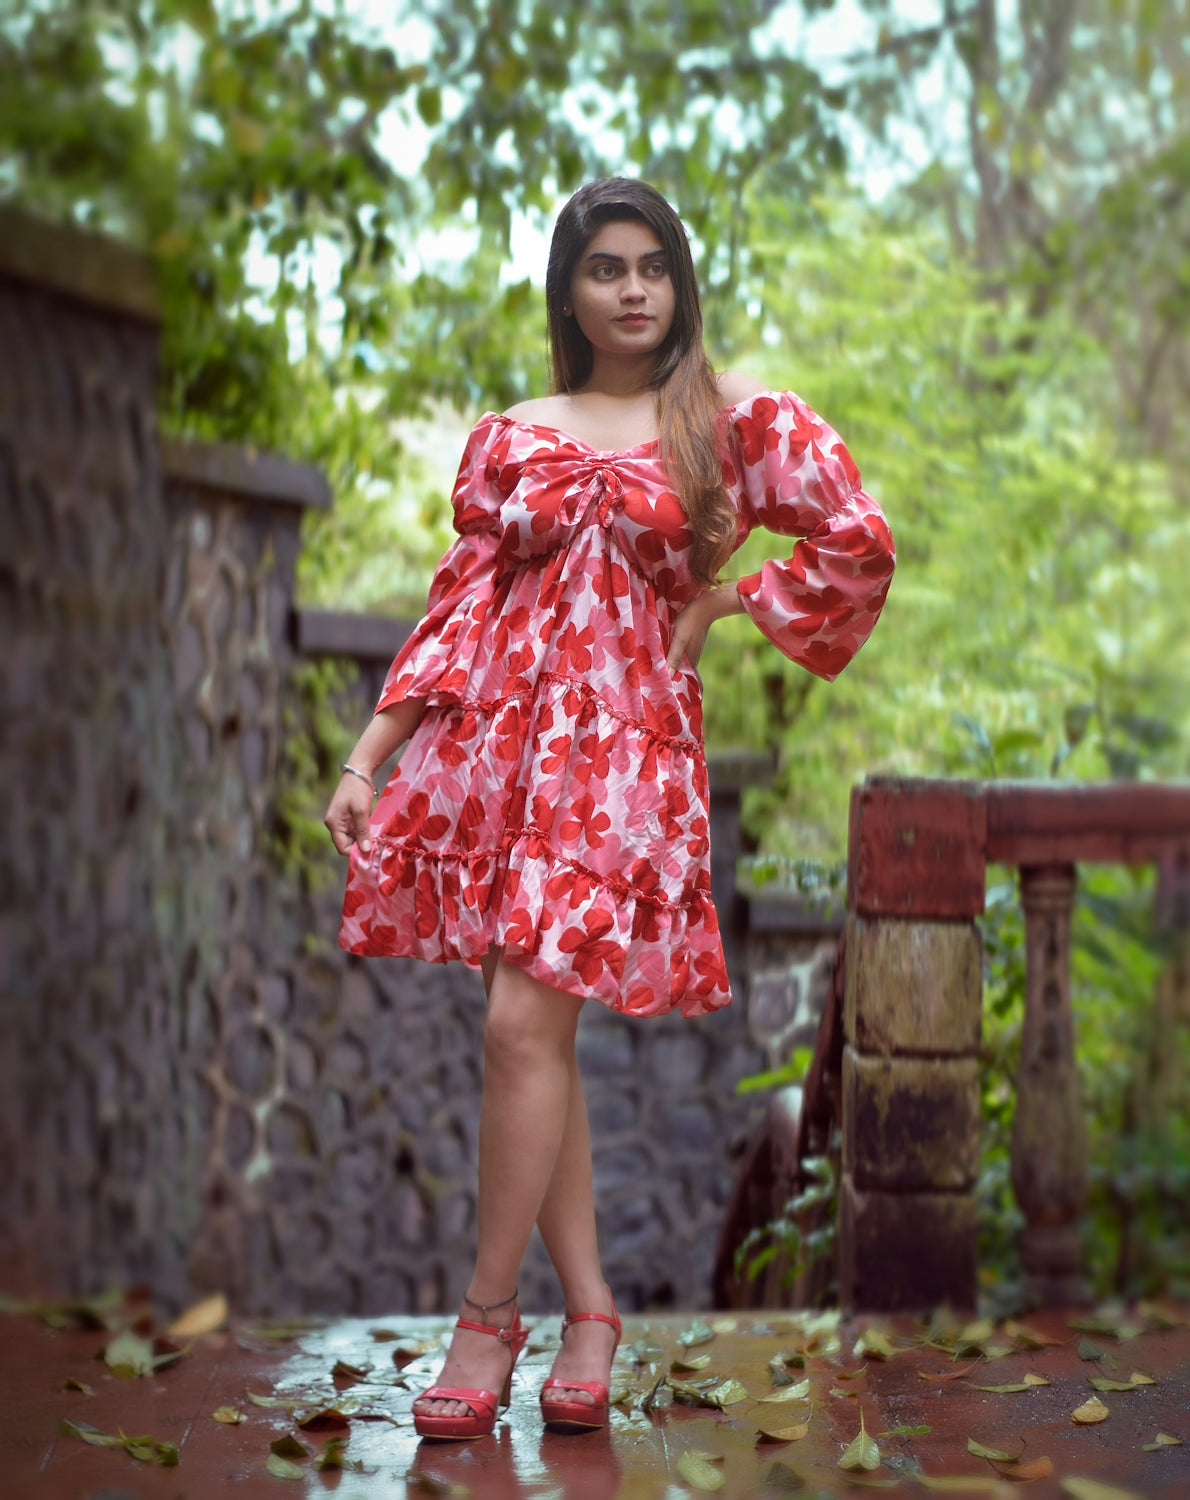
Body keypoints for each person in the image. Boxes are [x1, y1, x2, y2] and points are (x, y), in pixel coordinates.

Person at [323, 177, 895, 1441]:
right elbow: (458, 608)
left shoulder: (728, 422)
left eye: (653, 267)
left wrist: (732, 602)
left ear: (680, 282)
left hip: (626, 763)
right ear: (569, 288)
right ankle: (589, 1306)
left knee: (521, 1023)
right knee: (532, 1032)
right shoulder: (515, 430)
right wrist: (370, 757)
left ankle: (486, 1320)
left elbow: (859, 543)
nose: (633, 289)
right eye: (605, 268)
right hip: (507, 758)